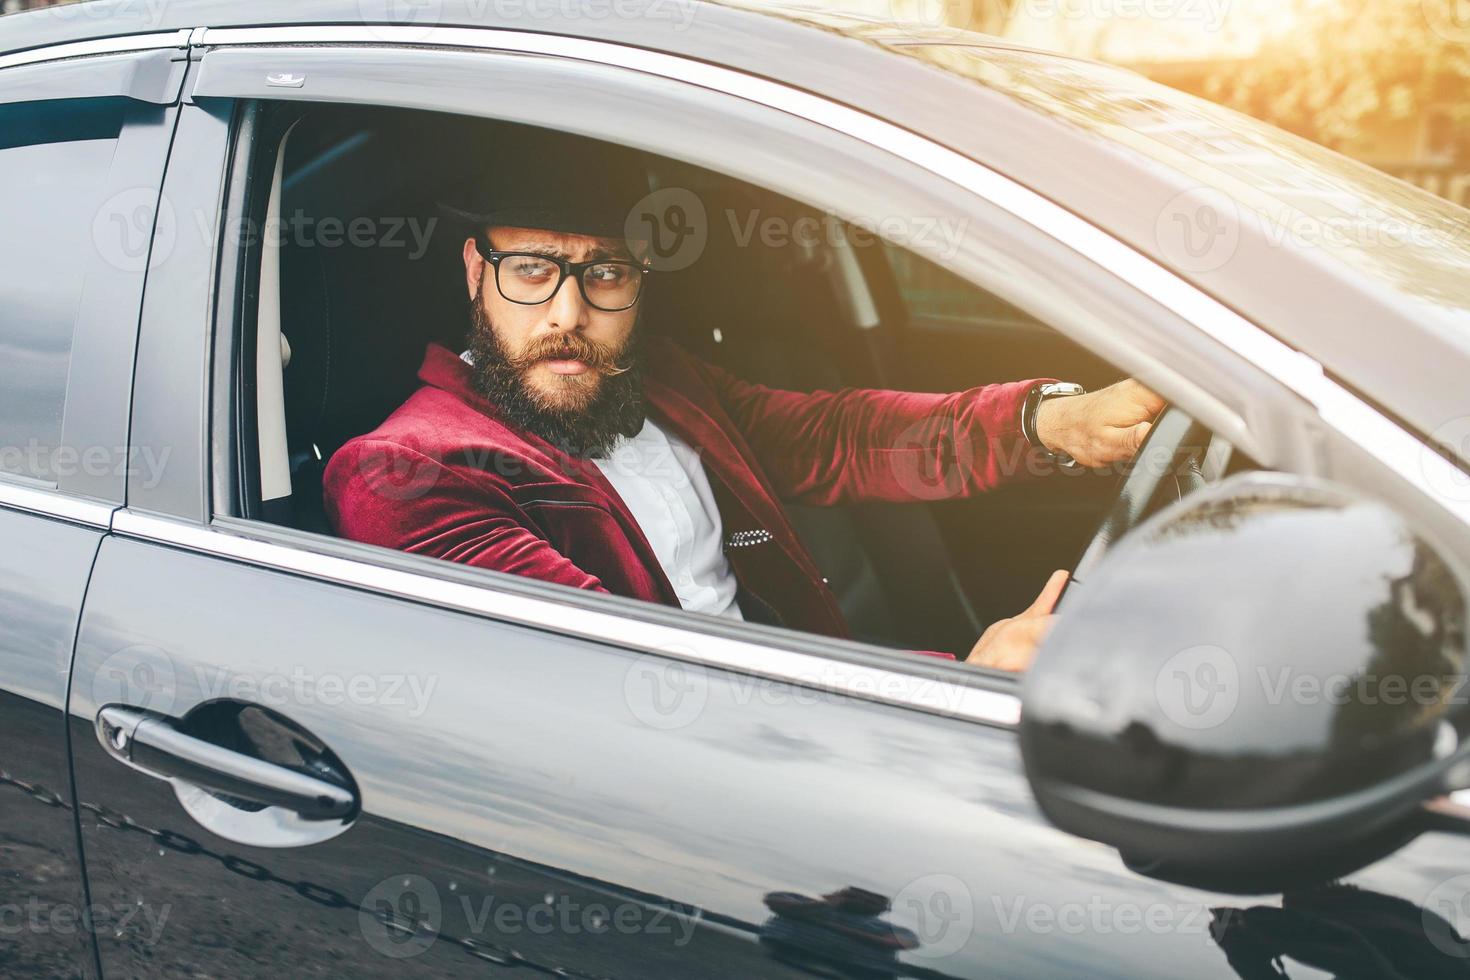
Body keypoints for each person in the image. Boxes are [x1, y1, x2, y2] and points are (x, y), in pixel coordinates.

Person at [323, 130, 1163, 670]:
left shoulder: (663, 386)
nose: (569, 314)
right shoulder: (408, 472)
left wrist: (1057, 423)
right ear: (476, 273)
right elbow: (626, 685)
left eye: (605, 273)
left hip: (810, 728)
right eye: (533, 270)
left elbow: (842, 438)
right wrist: (956, 689)